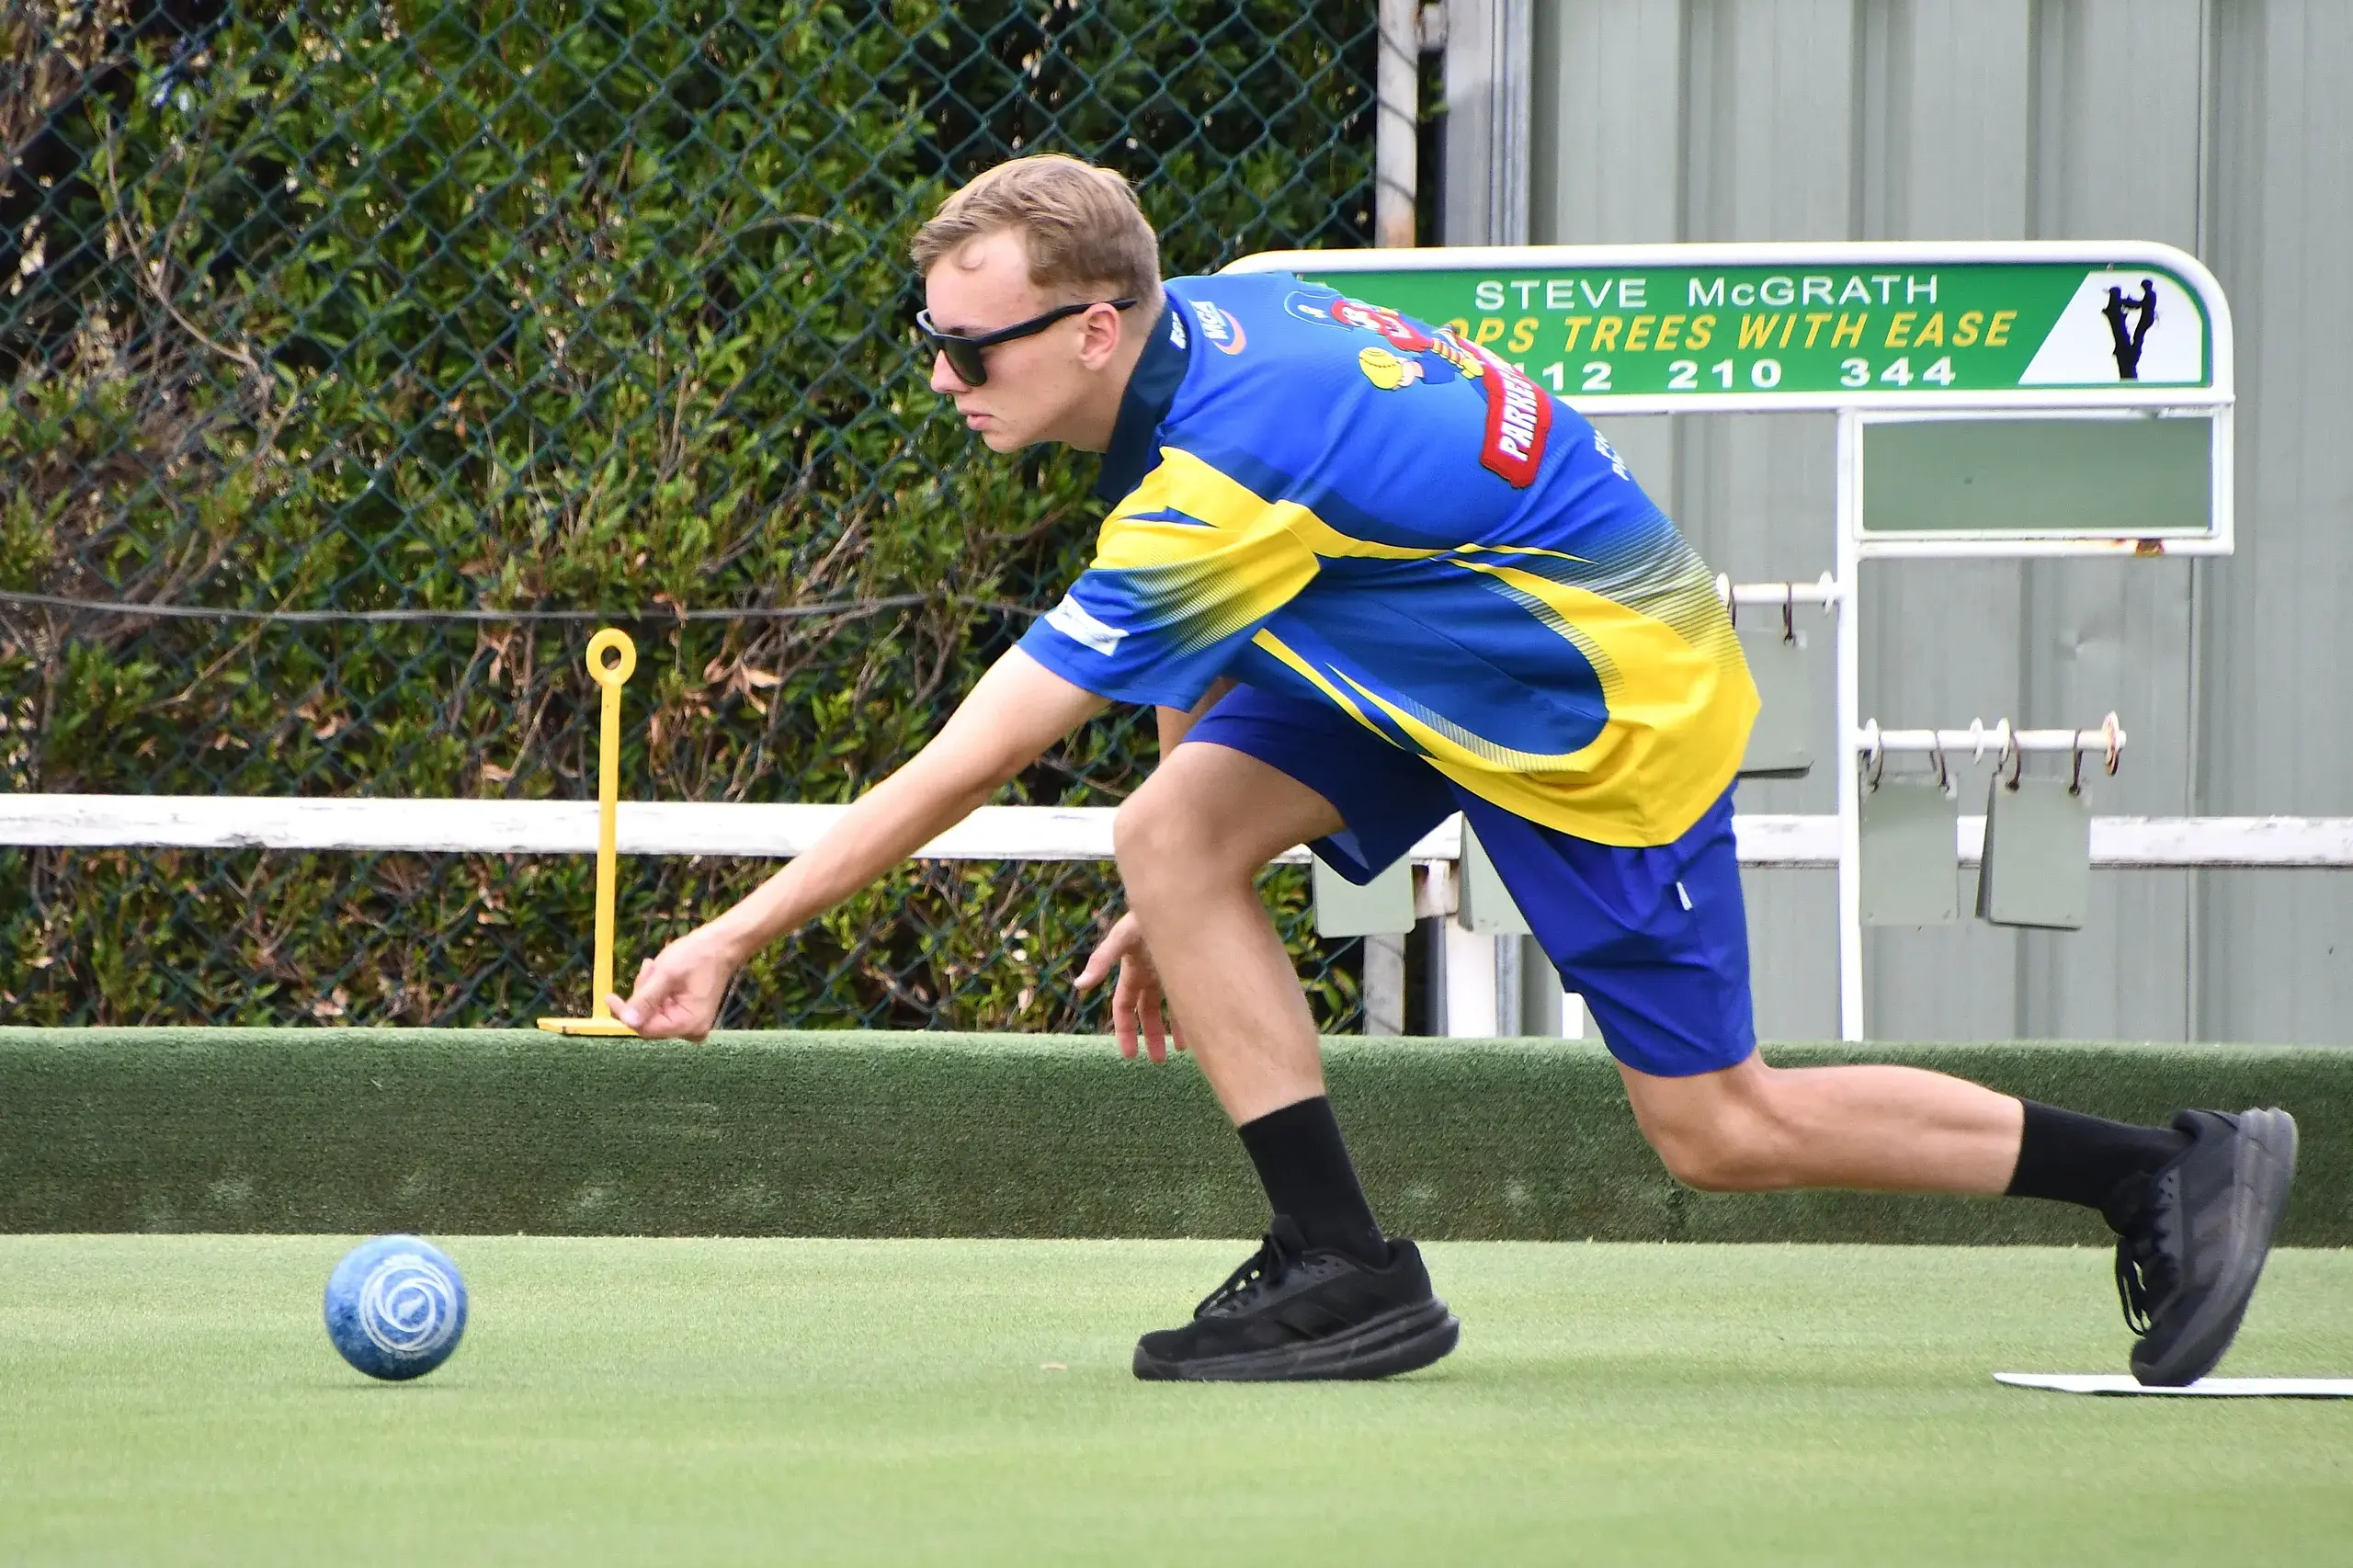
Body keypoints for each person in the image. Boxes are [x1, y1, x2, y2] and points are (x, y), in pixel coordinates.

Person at [609, 153, 2297, 1388]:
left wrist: (736, 935)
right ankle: (1344, 1267)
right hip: (1440, 637)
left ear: (1099, 328)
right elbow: (1244, 620)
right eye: (935, 336)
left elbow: (973, 756)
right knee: (1168, 833)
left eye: (971, 349)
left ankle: (2155, 1168)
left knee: (1720, 1127)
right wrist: (1188, 882)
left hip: (1592, 706)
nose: (943, 377)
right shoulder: (1226, 329)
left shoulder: (1216, 462)